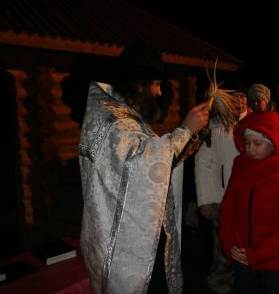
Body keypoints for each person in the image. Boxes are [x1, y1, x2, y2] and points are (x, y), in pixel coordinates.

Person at [78, 43, 210, 294]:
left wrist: (178, 153)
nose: (160, 93)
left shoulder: (124, 115)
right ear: (139, 84)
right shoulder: (113, 120)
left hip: (137, 234)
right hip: (123, 247)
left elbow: (138, 169)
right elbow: (138, 162)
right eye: (157, 84)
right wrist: (184, 130)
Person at [220, 111, 279, 294]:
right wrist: (229, 245)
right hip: (242, 258)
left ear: (273, 143)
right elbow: (228, 211)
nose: (250, 149)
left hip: (275, 262)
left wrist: (257, 254)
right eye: (247, 143)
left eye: (257, 143)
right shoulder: (240, 169)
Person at [195, 79, 250, 294]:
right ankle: (220, 285)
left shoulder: (255, 125)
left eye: (242, 95)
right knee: (223, 249)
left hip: (248, 200)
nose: (239, 100)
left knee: (247, 246)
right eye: (234, 96)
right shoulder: (214, 129)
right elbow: (203, 165)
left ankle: (246, 284)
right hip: (221, 199)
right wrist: (205, 200)